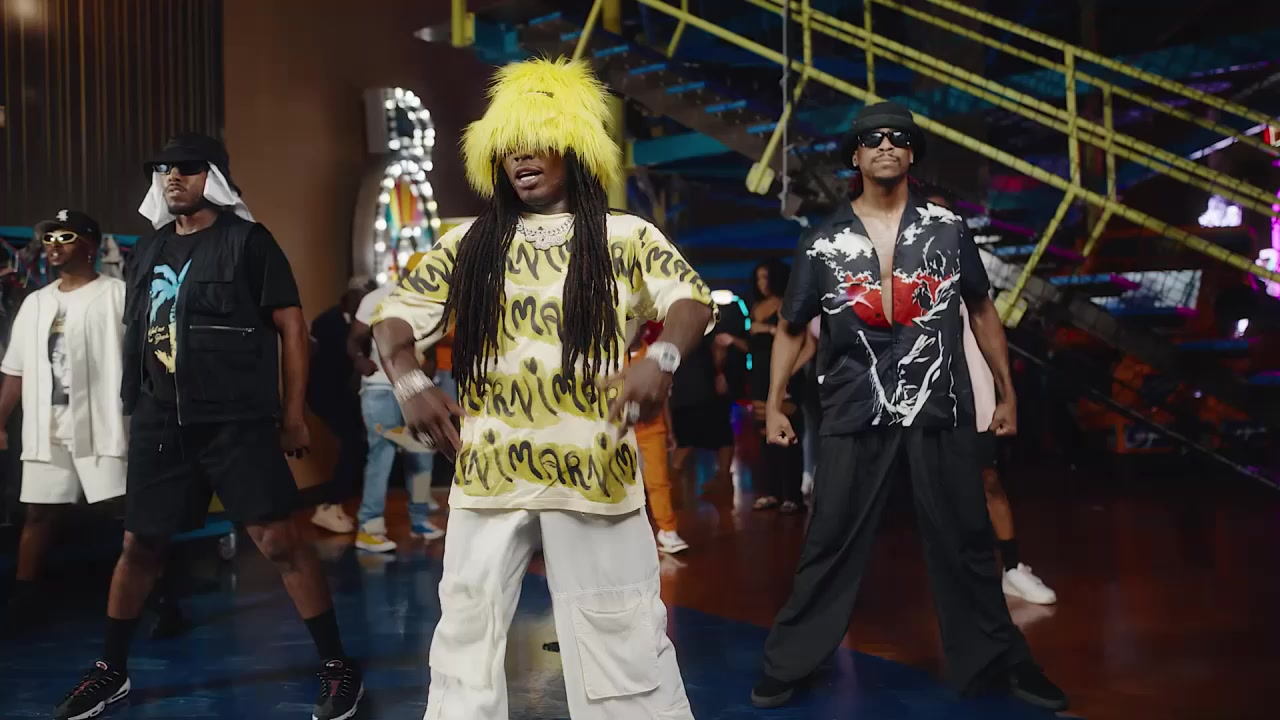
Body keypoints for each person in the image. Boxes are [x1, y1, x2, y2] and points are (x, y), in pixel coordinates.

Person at [370, 57, 713, 720]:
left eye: (537, 142)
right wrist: (409, 380)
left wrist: (662, 357)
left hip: (593, 470)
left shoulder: (624, 234)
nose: (521, 158)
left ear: (573, 148)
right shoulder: (470, 242)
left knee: (623, 639)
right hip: (489, 471)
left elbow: (690, 301)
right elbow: (392, 320)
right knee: (465, 637)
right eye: (509, 148)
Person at [750, 102, 1067, 712]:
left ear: (912, 153)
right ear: (856, 155)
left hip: (939, 400)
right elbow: (790, 328)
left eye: (898, 137)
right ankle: (789, 662)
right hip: (853, 404)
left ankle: (1000, 662)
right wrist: (774, 404)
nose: (886, 145)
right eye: (872, 138)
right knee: (828, 540)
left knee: (966, 539)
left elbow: (982, 311)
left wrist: (1006, 391)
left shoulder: (947, 230)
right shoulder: (823, 242)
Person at [51, 134, 364, 720]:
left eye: (188, 168)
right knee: (139, 545)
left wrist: (293, 415)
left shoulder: (249, 242)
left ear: (213, 177)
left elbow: (293, 330)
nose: (173, 176)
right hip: (160, 421)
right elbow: (138, 332)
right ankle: (111, 669)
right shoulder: (150, 248)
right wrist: (131, 408)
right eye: (164, 169)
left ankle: (337, 665)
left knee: (279, 541)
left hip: (236, 420)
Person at [0, 210, 184, 636]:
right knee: (39, 513)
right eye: (49, 238)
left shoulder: (118, 294)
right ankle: (24, 601)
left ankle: (161, 599)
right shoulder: (35, 303)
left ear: (90, 245)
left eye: (65, 237)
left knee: (131, 515)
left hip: (105, 424)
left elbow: (151, 359)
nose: (54, 246)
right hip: (48, 427)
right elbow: (15, 371)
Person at [927, 191, 1057, 606]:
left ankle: (1013, 569)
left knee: (987, 479)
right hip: (916, 397)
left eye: (947, 216)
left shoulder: (965, 268)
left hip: (971, 389)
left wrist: (1006, 395)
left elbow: (988, 324)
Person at [348, 252, 445, 552]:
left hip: (413, 388)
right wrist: (360, 360)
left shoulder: (431, 303)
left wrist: (427, 377)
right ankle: (369, 527)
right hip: (379, 387)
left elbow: (430, 348)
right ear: (404, 273)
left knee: (423, 452)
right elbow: (354, 338)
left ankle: (419, 519)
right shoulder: (377, 298)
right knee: (382, 453)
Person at [305, 277, 371, 534]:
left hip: (345, 395)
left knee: (355, 445)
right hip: (327, 394)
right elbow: (329, 364)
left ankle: (335, 503)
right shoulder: (328, 322)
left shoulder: (358, 322)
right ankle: (330, 505)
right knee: (353, 443)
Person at [748, 260, 814, 513]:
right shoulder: (755, 306)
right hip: (759, 375)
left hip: (787, 373)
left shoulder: (789, 304)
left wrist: (787, 374)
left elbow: (806, 344)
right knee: (764, 433)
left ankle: (792, 495)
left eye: (766, 277)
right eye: (758, 278)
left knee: (788, 433)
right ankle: (771, 492)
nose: (761, 283)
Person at [629, 320, 689, 554]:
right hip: (618, 430)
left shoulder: (655, 356)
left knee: (658, 481)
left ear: (643, 328)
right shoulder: (610, 356)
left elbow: (663, 397)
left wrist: (670, 430)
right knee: (621, 484)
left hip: (651, 429)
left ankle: (667, 530)